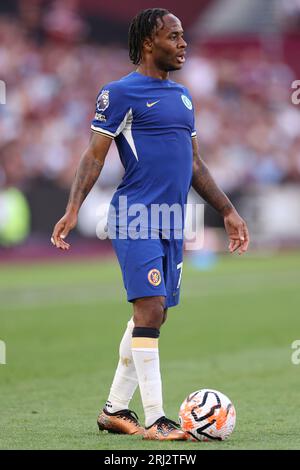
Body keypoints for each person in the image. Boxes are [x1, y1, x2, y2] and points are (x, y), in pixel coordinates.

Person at [51, 8, 250, 441]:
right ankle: (157, 417)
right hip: (135, 216)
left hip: (171, 222)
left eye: (183, 36)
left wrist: (229, 210)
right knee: (151, 308)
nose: (183, 43)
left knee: (153, 316)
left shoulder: (182, 96)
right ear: (148, 42)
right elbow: (93, 156)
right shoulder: (119, 93)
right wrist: (73, 209)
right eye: (174, 36)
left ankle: (114, 410)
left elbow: (194, 163)